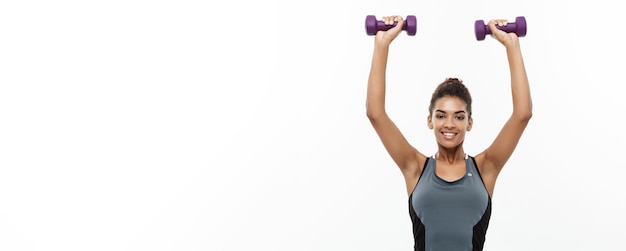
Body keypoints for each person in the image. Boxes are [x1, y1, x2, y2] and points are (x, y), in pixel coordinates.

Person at [365, 15, 532, 251]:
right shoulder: (414, 167)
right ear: (430, 121)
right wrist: (381, 44)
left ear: (470, 123)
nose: (449, 124)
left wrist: (512, 44)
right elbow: (375, 114)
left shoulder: (486, 168)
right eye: (441, 115)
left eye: (459, 116)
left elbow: (522, 114)